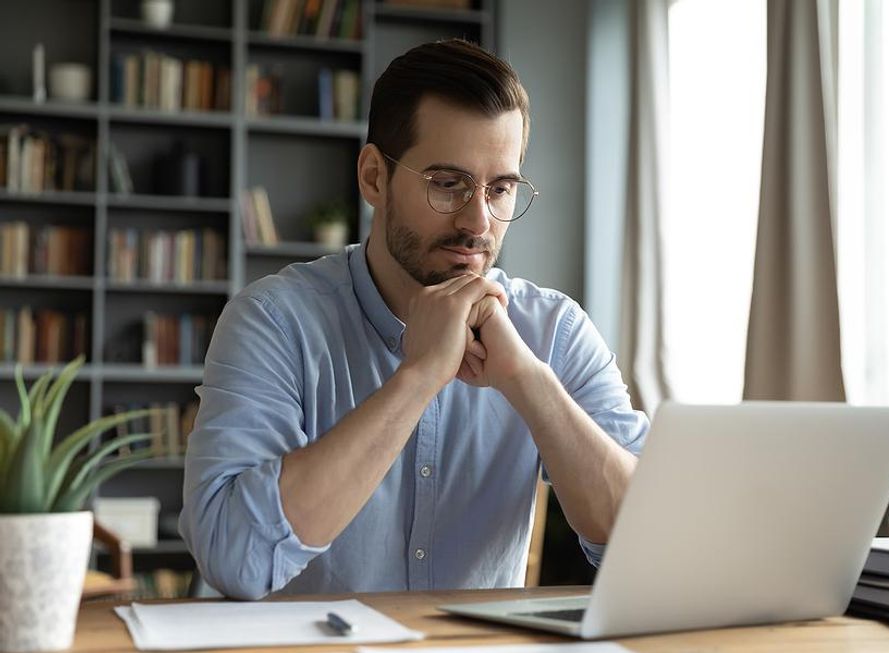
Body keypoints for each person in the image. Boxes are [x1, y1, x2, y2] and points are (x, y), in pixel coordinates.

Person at [179, 39, 648, 600]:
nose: (478, 221)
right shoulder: (272, 323)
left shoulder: (556, 332)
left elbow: (647, 543)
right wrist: (419, 376)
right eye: (447, 184)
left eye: (500, 189)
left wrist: (528, 380)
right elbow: (235, 559)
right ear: (375, 177)